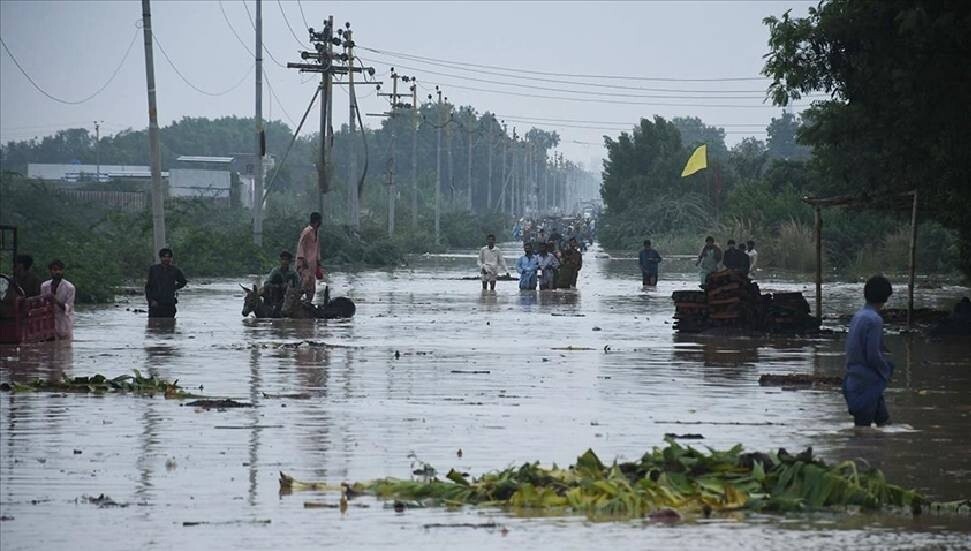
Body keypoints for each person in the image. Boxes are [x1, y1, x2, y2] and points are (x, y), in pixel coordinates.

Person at [842, 275, 894, 428]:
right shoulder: (874, 320)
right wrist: (885, 371)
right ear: (885, 298)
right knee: (862, 430)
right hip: (868, 382)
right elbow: (873, 355)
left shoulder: (858, 316)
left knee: (884, 423)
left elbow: (854, 346)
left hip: (854, 378)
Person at [144, 248, 188, 318]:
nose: (166, 259)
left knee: (169, 326)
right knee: (154, 326)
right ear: (160, 258)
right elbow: (148, 286)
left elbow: (183, 282)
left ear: (171, 258)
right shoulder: (154, 269)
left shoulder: (175, 270)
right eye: (164, 257)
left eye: (169, 257)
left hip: (169, 303)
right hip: (156, 303)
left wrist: (173, 287)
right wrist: (151, 300)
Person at [40, 259, 75, 339]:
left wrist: (55, 301)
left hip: (64, 321)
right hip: (49, 322)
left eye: (60, 270)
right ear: (50, 271)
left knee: (65, 348)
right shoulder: (44, 286)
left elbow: (68, 308)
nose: (58, 272)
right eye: (55, 270)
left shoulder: (69, 287)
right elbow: (41, 304)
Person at [296, 212, 323, 301]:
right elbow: (301, 245)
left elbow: (317, 247)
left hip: (313, 264)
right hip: (305, 263)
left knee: (311, 285)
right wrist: (302, 259)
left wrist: (318, 260)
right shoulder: (306, 231)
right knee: (305, 281)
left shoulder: (316, 232)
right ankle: (296, 300)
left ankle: (308, 303)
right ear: (316, 221)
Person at [264, 250, 300, 315]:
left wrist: (291, 288)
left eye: (286, 260)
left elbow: (297, 285)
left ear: (289, 261)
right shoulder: (275, 271)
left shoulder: (293, 272)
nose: (284, 261)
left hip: (288, 294)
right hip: (275, 293)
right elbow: (267, 283)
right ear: (280, 261)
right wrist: (276, 285)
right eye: (283, 259)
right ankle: (269, 307)